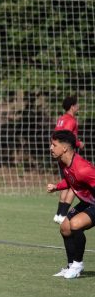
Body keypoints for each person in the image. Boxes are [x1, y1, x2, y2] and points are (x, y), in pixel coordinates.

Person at [47, 130, 92, 279]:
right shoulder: (64, 162)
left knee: (75, 224)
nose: (51, 148)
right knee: (65, 228)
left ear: (64, 148)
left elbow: (79, 176)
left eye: (54, 145)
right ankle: (71, 265)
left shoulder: (83, 169)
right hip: (88, 202)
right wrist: (56, 187)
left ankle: (78, 264)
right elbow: (70, 179)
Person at [52, 95, 85, 224]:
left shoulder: (61, 119)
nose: (78, 107)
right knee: (73, 184)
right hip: (67, 156)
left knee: (66, 183)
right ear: (72, 106)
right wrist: (78, 144)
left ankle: (59, 214)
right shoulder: (71, 121)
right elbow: (66, 138)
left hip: (60, 155)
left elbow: (56, 136)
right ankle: (63, 214)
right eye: (77, 105)